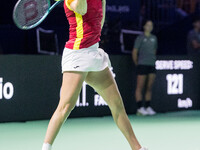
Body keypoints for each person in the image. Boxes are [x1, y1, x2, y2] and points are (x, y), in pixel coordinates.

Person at [42, 0, 147, 150]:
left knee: (117, 105)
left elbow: (100, 22)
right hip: (77, 54)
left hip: (94, 54)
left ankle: (137, 148)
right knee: (65, 107)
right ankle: (45, 148)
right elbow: (82, 9)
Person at [132, 20, 157, 116]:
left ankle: (148, 107)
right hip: (142, 65)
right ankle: (140, 108)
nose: (150, 27)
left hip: (151, 65)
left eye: (151, 25)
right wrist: (137, 64)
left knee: (149, 87)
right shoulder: (140, 38)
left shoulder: (154, 38)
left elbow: (154, 51)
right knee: (140, 87)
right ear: (144, 26)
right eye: (148, 25)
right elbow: (134, 52)